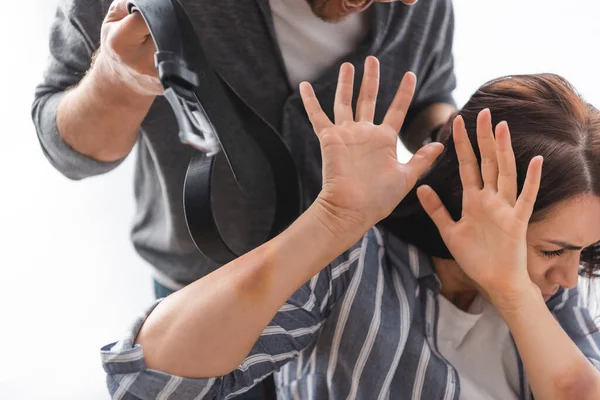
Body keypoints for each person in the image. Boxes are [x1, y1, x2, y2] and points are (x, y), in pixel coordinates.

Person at [100, 61, 600, 399]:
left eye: (581, 252)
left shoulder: (547, 290)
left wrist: (513, 289)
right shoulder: (358, 264)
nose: (570, 276)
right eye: (554, 249)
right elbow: (148, 378)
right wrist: (333, 219)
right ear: (475, 201)